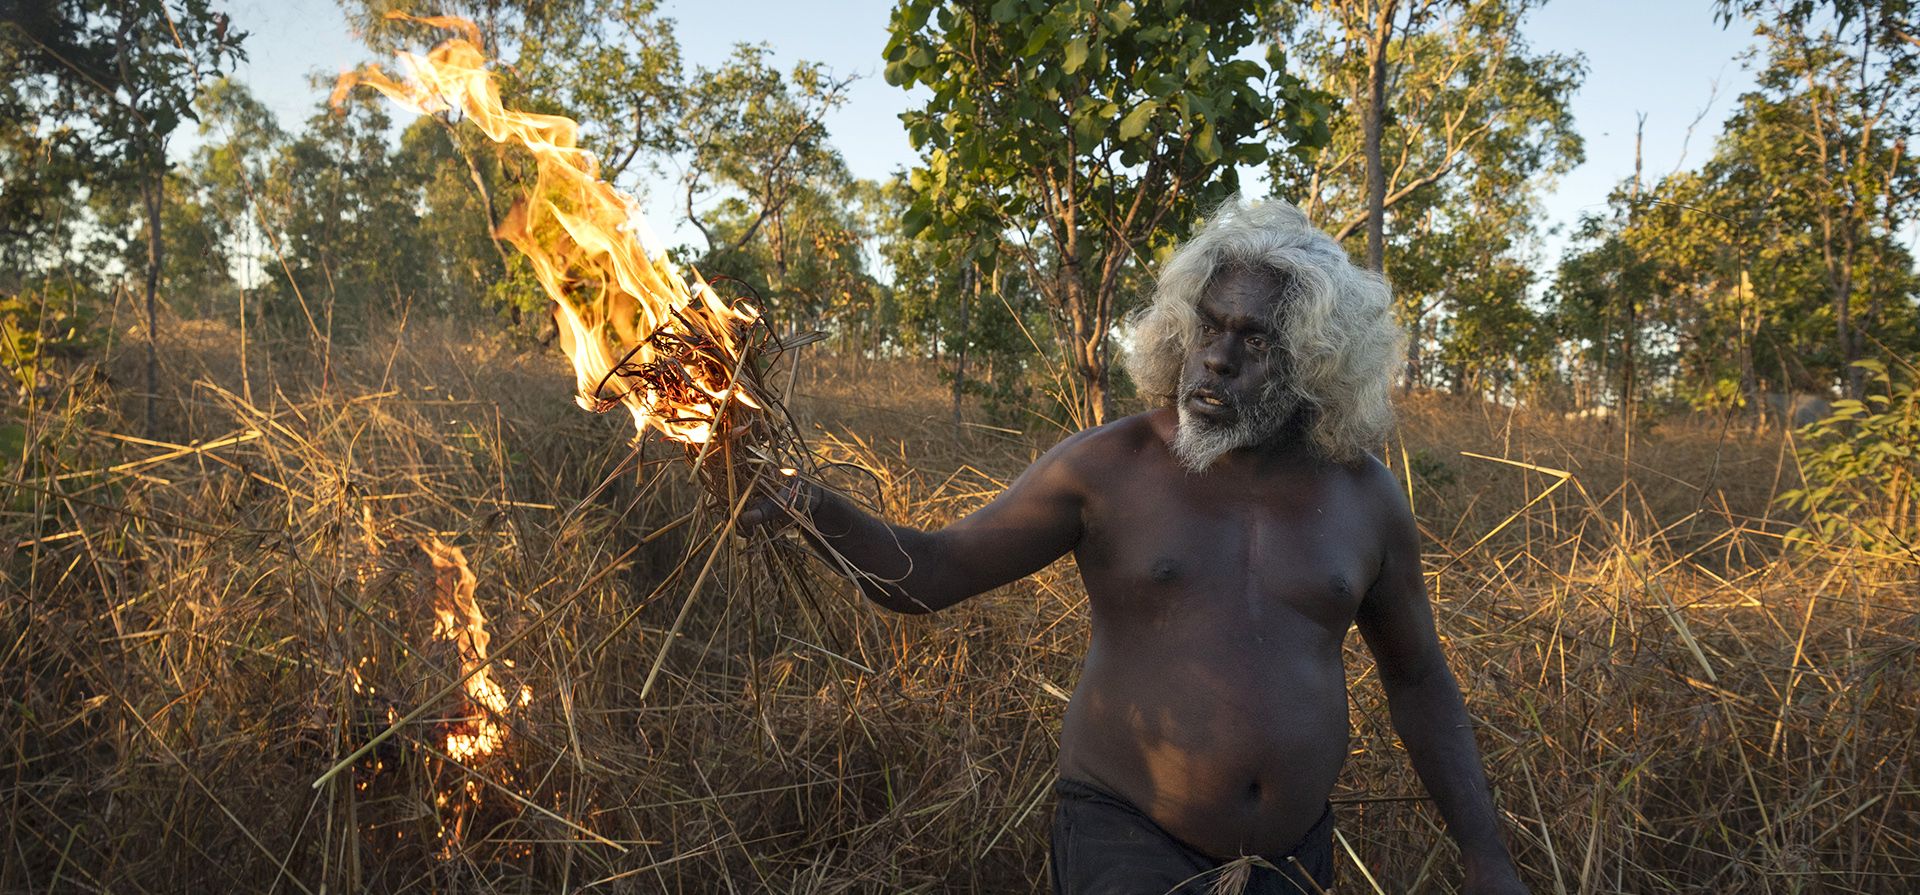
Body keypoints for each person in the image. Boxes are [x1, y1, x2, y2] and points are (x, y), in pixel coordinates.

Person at [743, 198, 1527, 895]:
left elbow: (1418, 677)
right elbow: (931, 572)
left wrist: (1485, 852)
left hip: (1291, 858)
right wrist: (807, 502)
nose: (1217, 357)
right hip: (1126, 839)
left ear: (1312, 362)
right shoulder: (1109, 467)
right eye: (1210, 326)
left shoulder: (1364, 498)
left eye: (1254, 339)